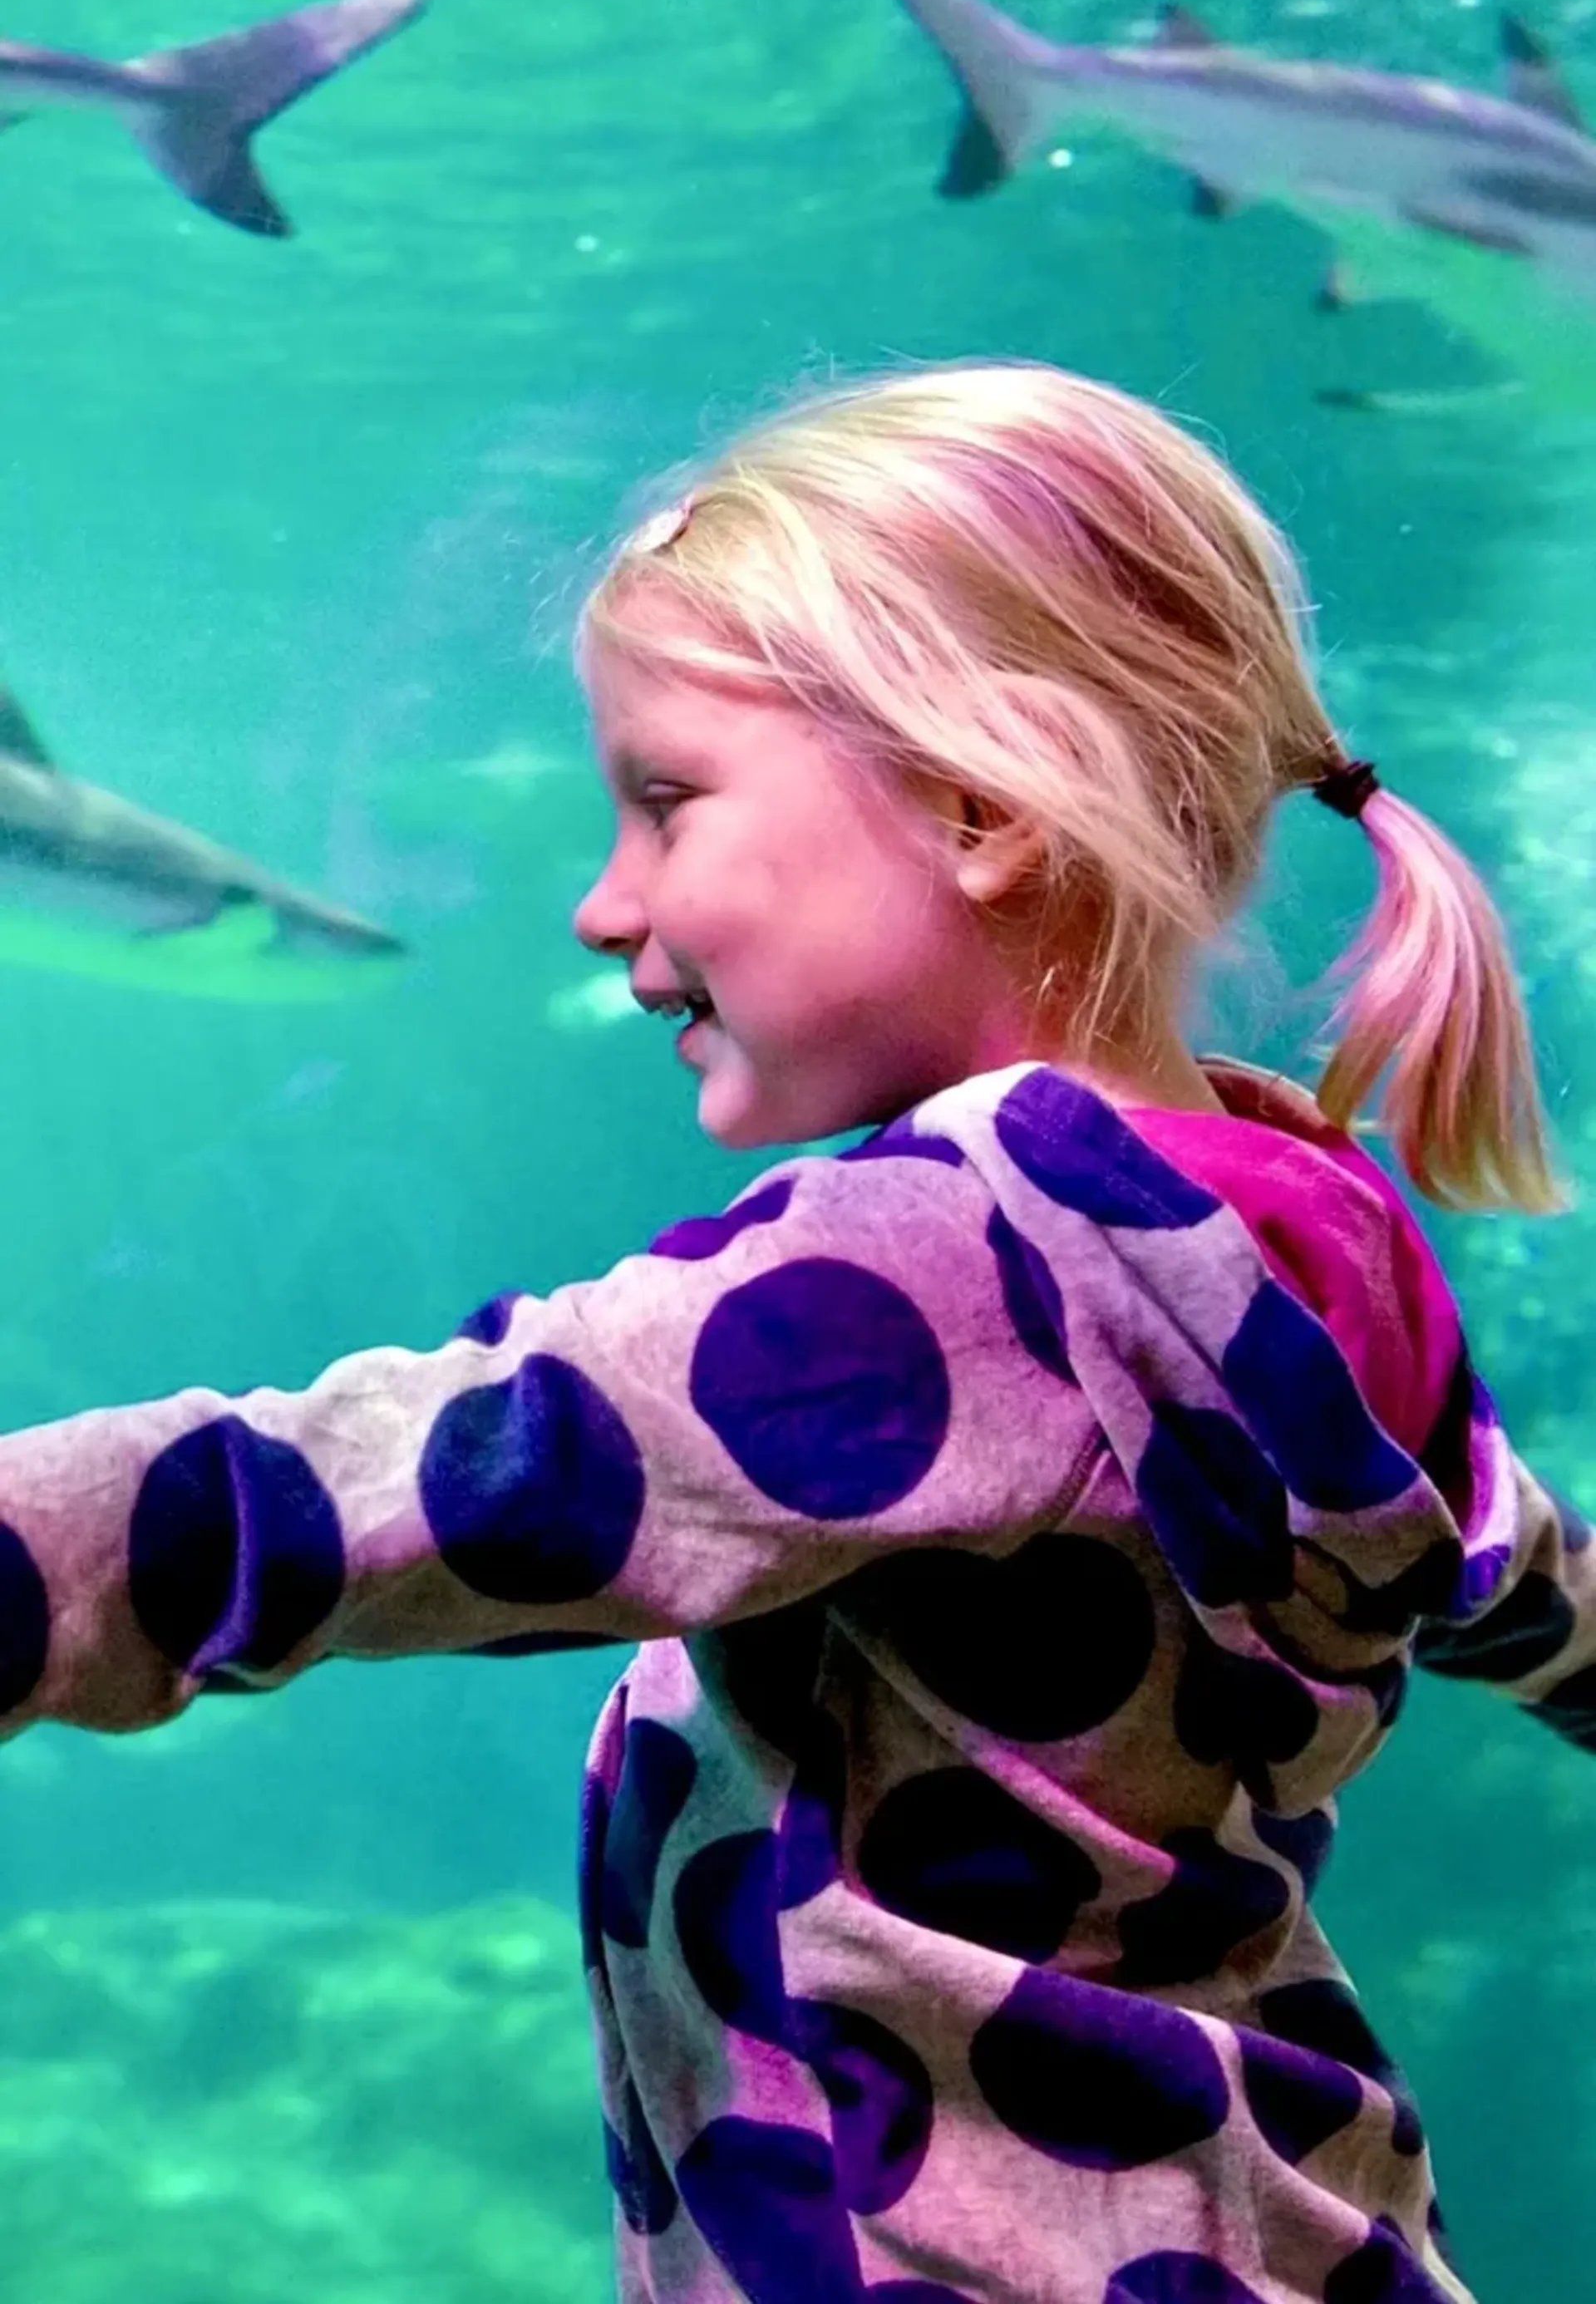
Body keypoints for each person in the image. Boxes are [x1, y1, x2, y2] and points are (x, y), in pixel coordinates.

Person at [0, 360, 1589, 2304]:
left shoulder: (924, 1276)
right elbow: (1520, 1574)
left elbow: (360, 1492)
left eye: (667, 801)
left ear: (979, 805)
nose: (603, 905)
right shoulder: (1313, 1229)